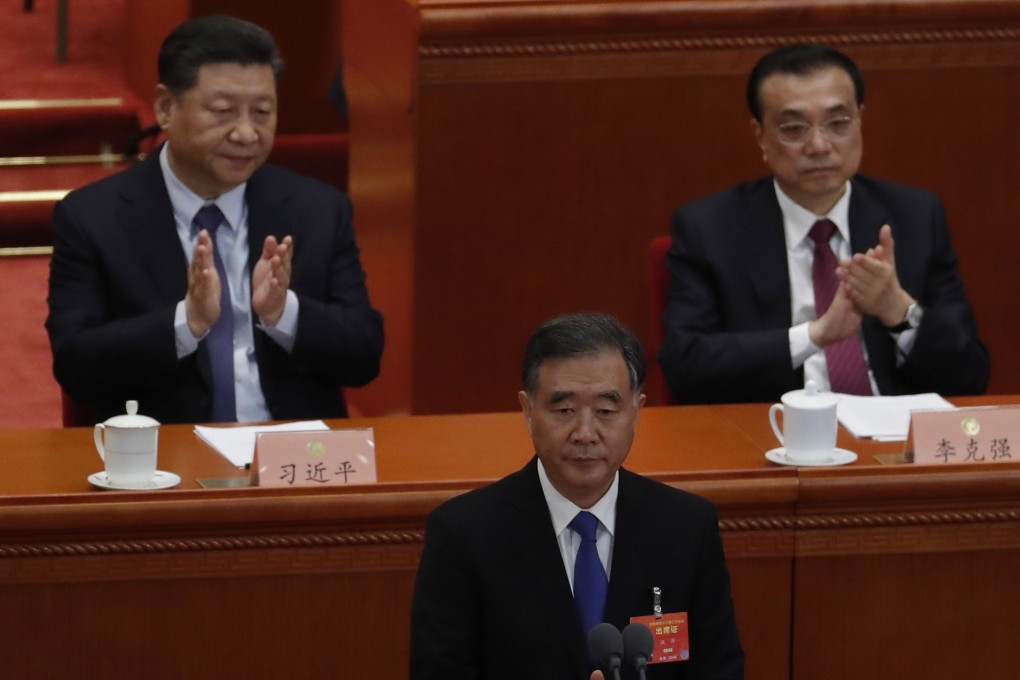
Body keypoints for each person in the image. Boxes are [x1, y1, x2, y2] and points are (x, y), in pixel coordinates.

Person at [46, 15, 384, 424]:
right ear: (166, 108)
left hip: (292, 462)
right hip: (165, 465)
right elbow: (76, 364)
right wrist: (185, 323)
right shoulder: (93, 218)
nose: (246, 133)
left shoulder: (317, 209)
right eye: (223, 111)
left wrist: (284, 313)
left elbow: (365, 355)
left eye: (262, 112)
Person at [410, 312, 744, 680]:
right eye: (565, 410)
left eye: (605, 410)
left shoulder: (686, 528)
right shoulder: (464, 535)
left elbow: (720, 670)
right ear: (528, 412)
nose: (585, 433)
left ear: (636, 412)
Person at [659, 43, 989, 404]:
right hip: (773, 433)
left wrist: (899, 311)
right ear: (760, 135)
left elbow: (970, 375)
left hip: (894, 439)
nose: (819, 145)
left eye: (838, 123)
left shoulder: (915, 216)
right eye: (794, 128)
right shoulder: (709, 228)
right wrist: (814, 335)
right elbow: (684, 367)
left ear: (860, 120)